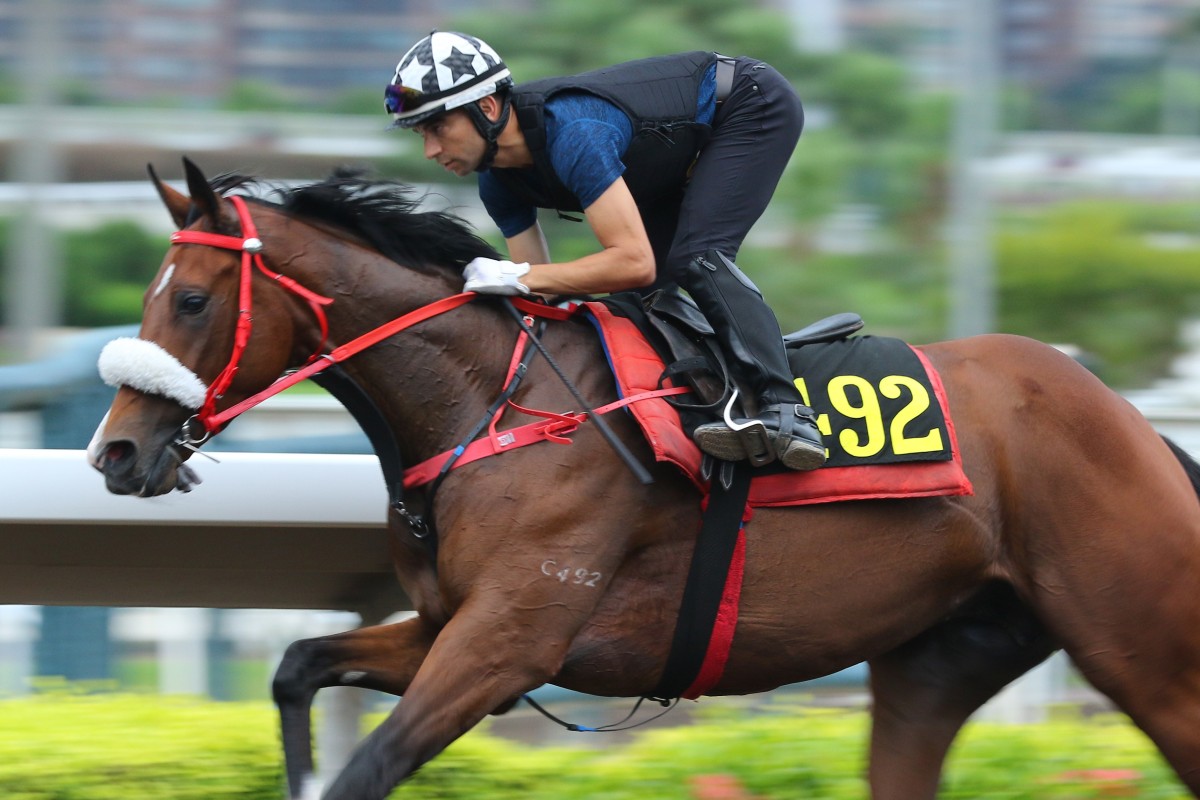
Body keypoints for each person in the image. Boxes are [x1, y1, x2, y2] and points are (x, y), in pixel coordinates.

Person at [384, 31, 825, 471]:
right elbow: (544, 292)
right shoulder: (497, 182)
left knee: (697, 258)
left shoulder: (574, 133)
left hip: (746, 103)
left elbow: (632, 262)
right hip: (673, 154)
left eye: (438, 128)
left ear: (486, 108)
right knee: (638, 303)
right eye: (421, 133)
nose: (430, 150)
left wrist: (515, 276)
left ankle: (788, 412)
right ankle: (712, 402)